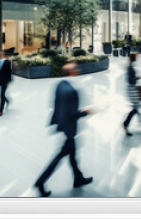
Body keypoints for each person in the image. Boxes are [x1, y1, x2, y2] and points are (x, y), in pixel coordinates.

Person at [34, 63, 93, 197]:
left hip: (63, 125)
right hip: (69, 128)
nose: (78, 69)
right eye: (76, 68)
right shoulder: (72, 90)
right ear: (72, 72)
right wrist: (86, 112)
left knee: (72, 154)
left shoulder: (60, 84)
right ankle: (40, 182)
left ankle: (78, 178)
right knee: (60, 156)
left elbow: (55, 104)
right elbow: (72, 113)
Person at [123, 53, 141, 136]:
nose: (137, 58)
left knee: (137, 106)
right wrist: (138, 78)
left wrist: (136, 78)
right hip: (131, 89)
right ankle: (125, 124)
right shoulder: (130, 67)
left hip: (131, 88)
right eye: (136, 57)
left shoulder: (130, 66)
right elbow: (131, 80)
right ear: (134, 58)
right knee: (135, 107)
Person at [0, 53, 12, 117]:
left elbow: (9, 71)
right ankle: (7, 100)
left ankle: (0, 111)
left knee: (2, 94)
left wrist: (9, 80)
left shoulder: (7, 62)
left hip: (5, 81)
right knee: (1, 94)